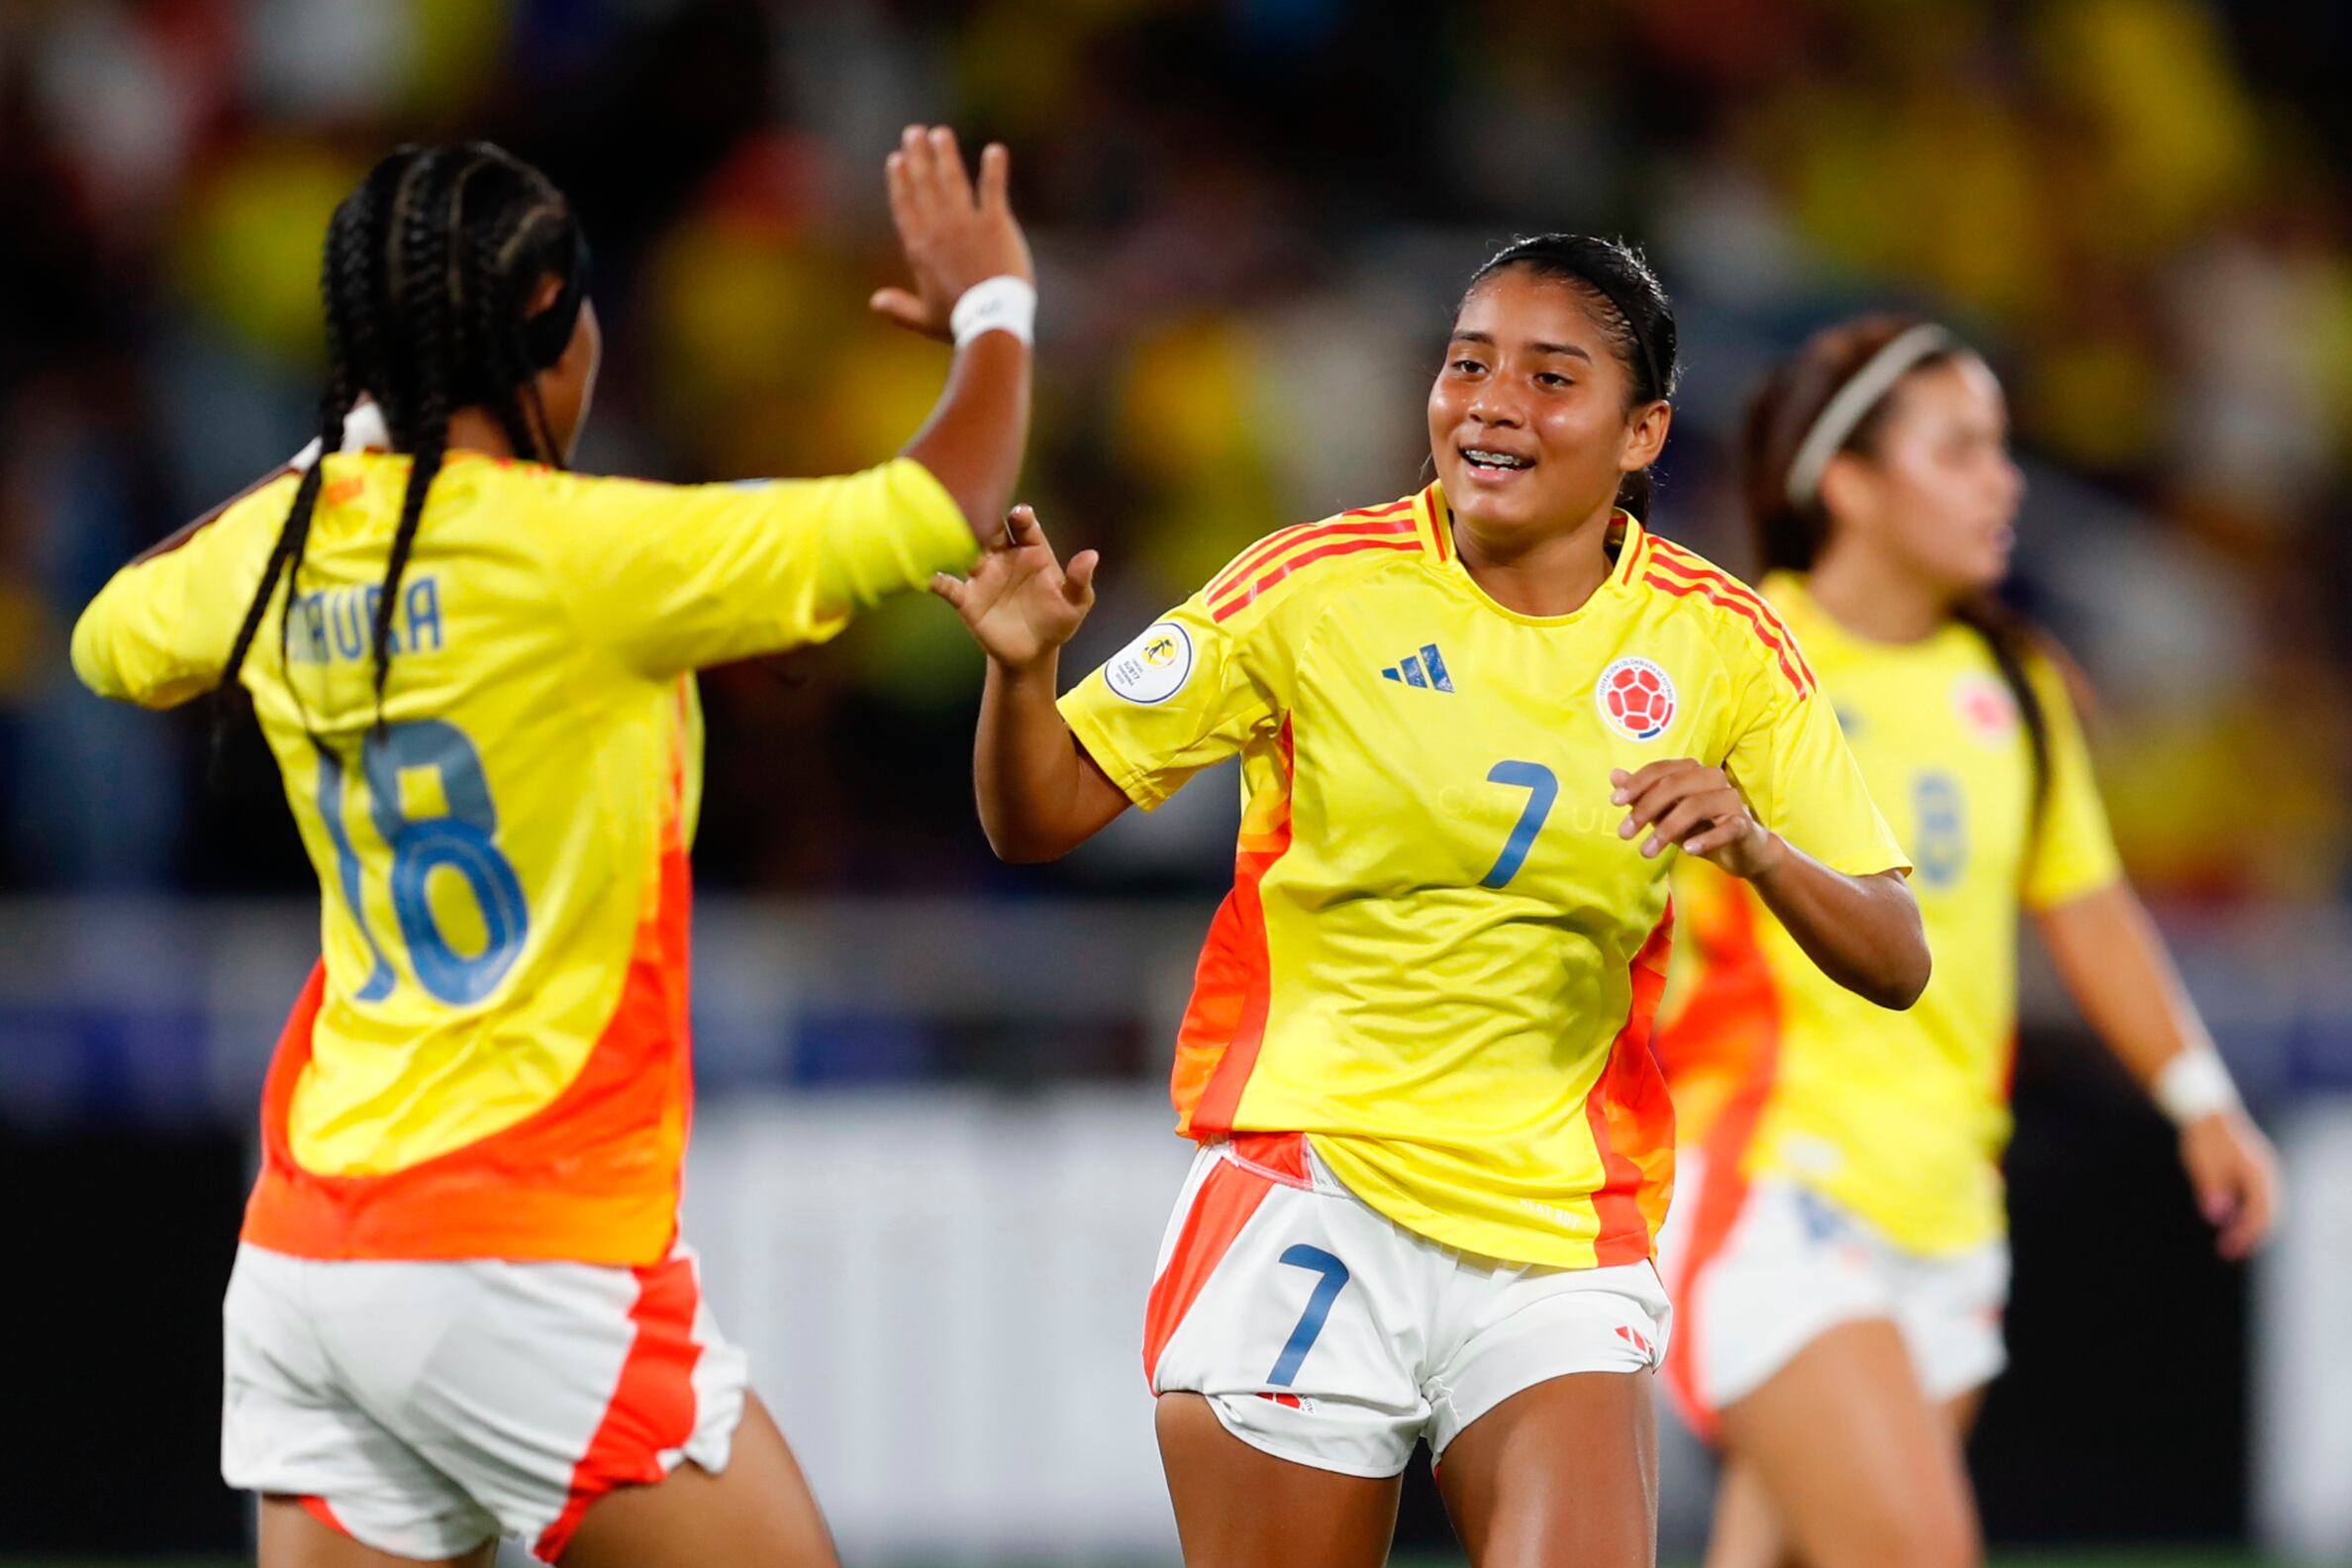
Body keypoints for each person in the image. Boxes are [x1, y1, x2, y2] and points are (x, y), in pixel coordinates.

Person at [70, 132, 1032, 1568]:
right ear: (540, 321)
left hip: (308, 1261)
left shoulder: (280, 550)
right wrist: (998, 308)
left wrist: (337, 448)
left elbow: (107, 638)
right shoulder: (588, 557)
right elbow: (939, 502)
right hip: (523, 1252)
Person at [929, 235, 1929, 1568]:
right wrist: (1022, 674)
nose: (1492, 403)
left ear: (1643, 434)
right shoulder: (1310, 591)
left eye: (1549, 376)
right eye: (1468, 366)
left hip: (1557, 1228)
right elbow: (1037, 817)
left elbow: (1896, 953)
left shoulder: (1721, 642)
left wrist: (1758, 851)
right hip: (1309, 1193)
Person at [1653, 316, 2285, 1568]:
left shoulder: (2013, 686)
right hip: (1767, 1186)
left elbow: (2086, 902)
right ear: (1850, 483)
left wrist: (2199, 1094)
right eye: (1961, 450)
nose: (2007, 482)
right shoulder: (1720, 655)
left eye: (2002, 447)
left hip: (1947, 1210)